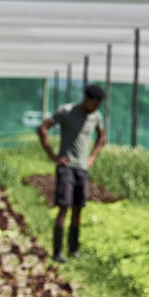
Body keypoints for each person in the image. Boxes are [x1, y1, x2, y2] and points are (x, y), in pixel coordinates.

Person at [37, 84, 107, 262]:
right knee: (64, 208)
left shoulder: (95, 117)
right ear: (86, 99)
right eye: (94, 103)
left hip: (82, 169)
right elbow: (43, 128)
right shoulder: (66, 111)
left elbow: (102, 137)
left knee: (78, 209)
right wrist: (52, 155)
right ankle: (57, 251)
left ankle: (74, 249)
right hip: (66, 167)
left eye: (98, 105)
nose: (95, 108)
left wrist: (92, 157)